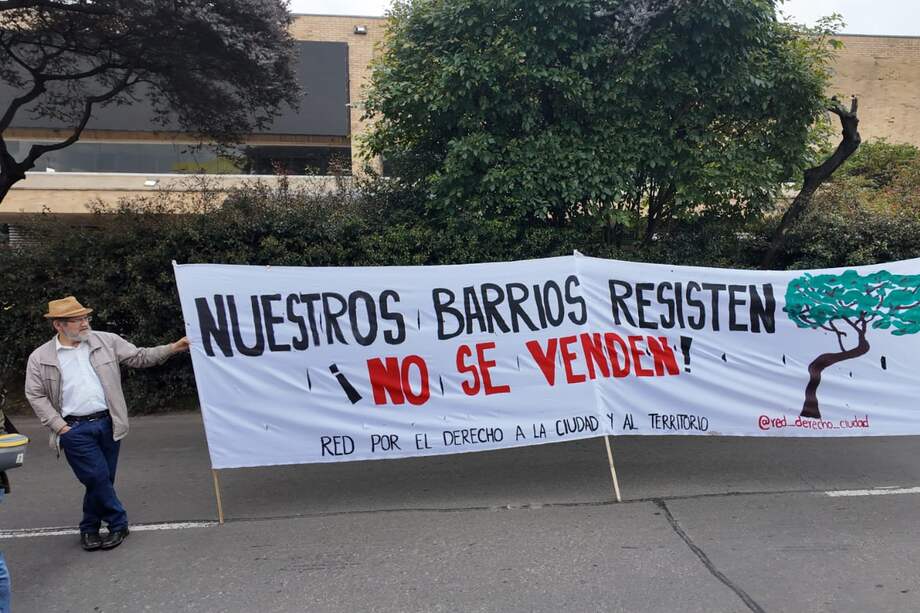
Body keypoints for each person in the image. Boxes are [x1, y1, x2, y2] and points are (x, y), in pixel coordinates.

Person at [25, 296, 189, 551]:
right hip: (73, 428)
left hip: (108, 423)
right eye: (77, 320)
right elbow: (35, 394)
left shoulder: (106, 340)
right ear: (59, 325)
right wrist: (60, 427)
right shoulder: (41, 357)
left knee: (101, 480)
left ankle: (89, 528)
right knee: (97, 476)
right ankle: (117, 523)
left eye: (85, 318)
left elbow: (139, 357)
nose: (84, 323)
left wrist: (172, 348)